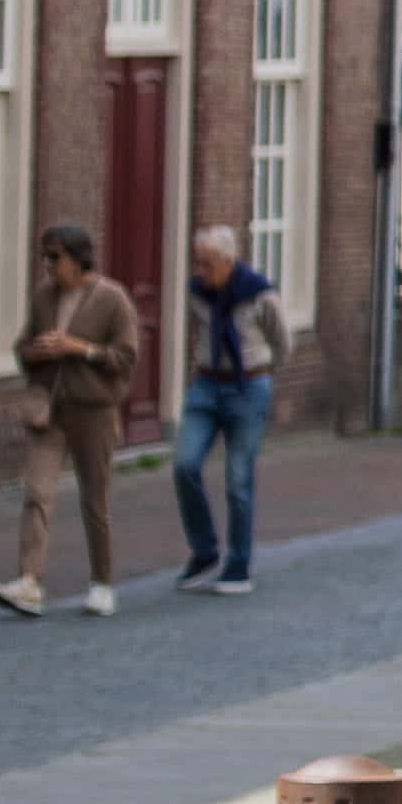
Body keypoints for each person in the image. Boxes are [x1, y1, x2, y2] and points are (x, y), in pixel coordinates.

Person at [0, 223, 139, 617]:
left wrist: (79, 348)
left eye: (55, 257)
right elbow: (22, 347)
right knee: (36, 492)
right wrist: (34, 353)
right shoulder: (43, 297)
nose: (47, 264)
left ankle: (102, 583)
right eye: (45, 256)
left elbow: (125, 358)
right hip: (49, 411)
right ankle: (29, 583)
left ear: (78, 259)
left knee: (95, 499)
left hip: (94, 412)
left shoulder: (112, 299)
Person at [172, 225, 289, 596]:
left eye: (207, 265)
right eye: (198, 264)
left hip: (248, 388)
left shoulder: (258, 294)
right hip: (206, 386)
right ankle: (205, 551)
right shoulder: (197, 294)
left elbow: (282, 340)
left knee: (238, 479)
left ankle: (238, 565)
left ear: (228, 261)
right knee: (184, 464)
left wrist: (266, 379)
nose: (201, 272)